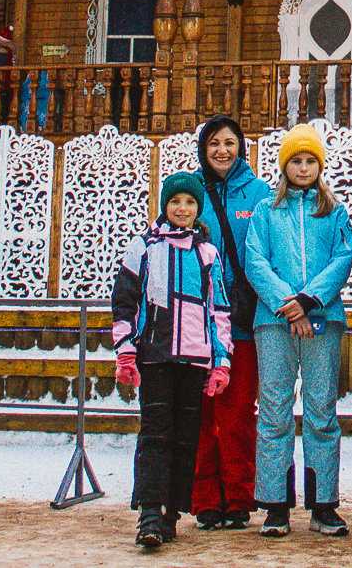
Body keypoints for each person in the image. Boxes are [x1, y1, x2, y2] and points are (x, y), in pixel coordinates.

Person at [241, 125, 352, 537]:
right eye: (296, 160)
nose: (303, 167)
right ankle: (275, 503)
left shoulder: (334, 211)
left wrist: (310, 300)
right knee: (274, 408)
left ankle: (324, 502)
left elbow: (343, 257)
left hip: (322, 320)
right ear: (285, 165)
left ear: (319, 166)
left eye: (310, 161)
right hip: (274, 321)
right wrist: (289, 306)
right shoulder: (267, 211)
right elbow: (256, 260)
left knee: (322, 408)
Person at [114, 172, 233, 550]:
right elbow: (125, 301)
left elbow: (219, 310)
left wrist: (221, 361)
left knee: (186, 438)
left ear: (199, 210)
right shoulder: (144, 248)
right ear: (165, 205)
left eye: (190, 203)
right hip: (156, 355)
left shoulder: (206, 253)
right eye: (176, 202)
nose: (182, 209)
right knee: (155, 434)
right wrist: (126, 349)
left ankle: (171, 513)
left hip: (195, 359)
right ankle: (149, 510)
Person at [191, 115, 273, 530]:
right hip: (197, 324)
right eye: (214, 144)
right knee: (203, 413)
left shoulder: (260, 195)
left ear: (241, 147)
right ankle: (205, 497)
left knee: (239, 410)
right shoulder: (190, 191)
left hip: (242, 321)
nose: (222, 151)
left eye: (229, 143)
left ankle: (239, 496)